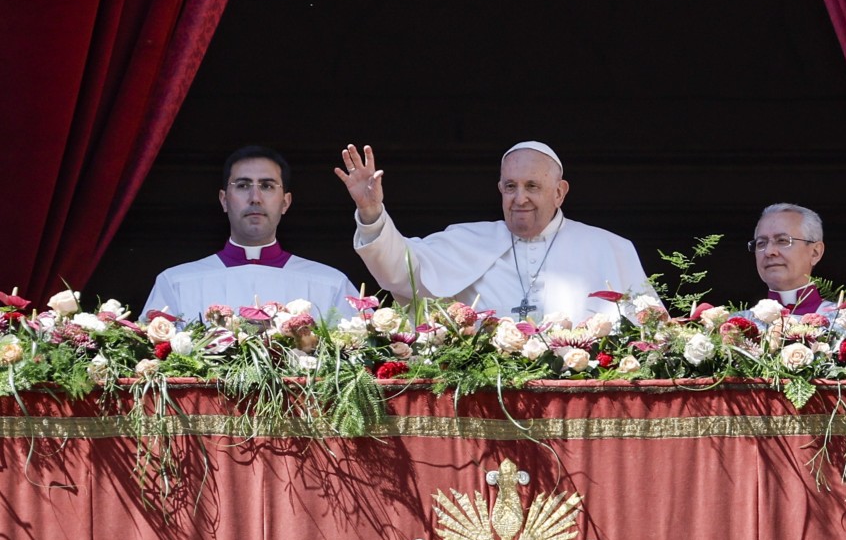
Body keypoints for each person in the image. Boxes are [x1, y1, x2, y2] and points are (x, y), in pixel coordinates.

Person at [334, 141, 656, 324]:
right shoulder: (466, 241)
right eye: (510, 186)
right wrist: (371, 211)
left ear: (559, 192)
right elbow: (399, 271)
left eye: (532, 186)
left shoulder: (609, 248)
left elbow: (650, 332)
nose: (520, 198)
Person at [143, 145, 357, 322]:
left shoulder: (330, 284)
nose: (255, 197)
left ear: (285, 202)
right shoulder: (176, 283)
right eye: (243, 185)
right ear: (224, 200)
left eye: (267, 186)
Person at [748, 202, 846, 318]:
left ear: (815, 252)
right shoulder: (734, 330)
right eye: (761, 243)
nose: (769, 251)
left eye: (782, 241)